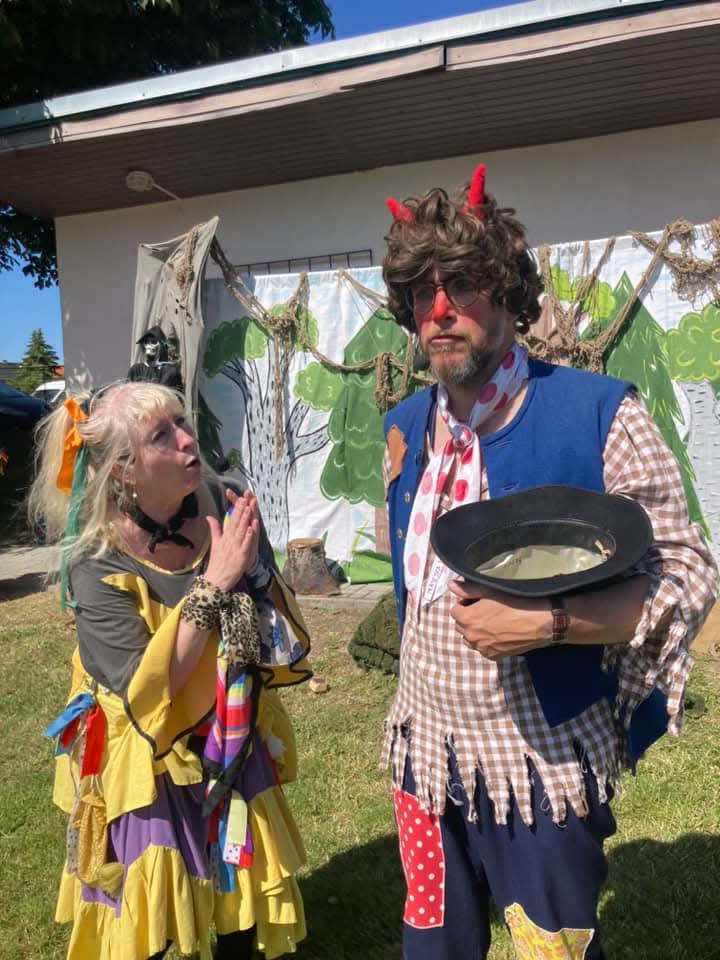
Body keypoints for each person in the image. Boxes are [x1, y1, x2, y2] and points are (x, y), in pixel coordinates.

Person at [380, 165, 717, 960]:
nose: (439, 310)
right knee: (434, 945)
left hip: (538, 761)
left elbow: (687, 573)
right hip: (422, 755)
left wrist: (551, 621)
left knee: (551, 948)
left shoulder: (596, 412)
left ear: (505, 290)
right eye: (421, 293)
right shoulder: (405, 422)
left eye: (462, 285)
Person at [30, 381, 311, 960]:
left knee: (241, 875)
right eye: (162, 435)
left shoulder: (226, 500)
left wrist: (254, 574)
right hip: (143, 741)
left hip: (228, 714)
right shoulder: (95, 561)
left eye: (182, 422)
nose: (188, 440)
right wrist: (217, 582)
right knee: (151, 895)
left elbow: (271, 617)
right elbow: (145, 690)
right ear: (124, 470)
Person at [128, 326, 184, 390]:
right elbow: (127, 392)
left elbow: (162, 392)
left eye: (153, 342)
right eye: (146, 342)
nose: (149, 346)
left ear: (162, 345)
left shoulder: (170, 371)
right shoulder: (135, 370)